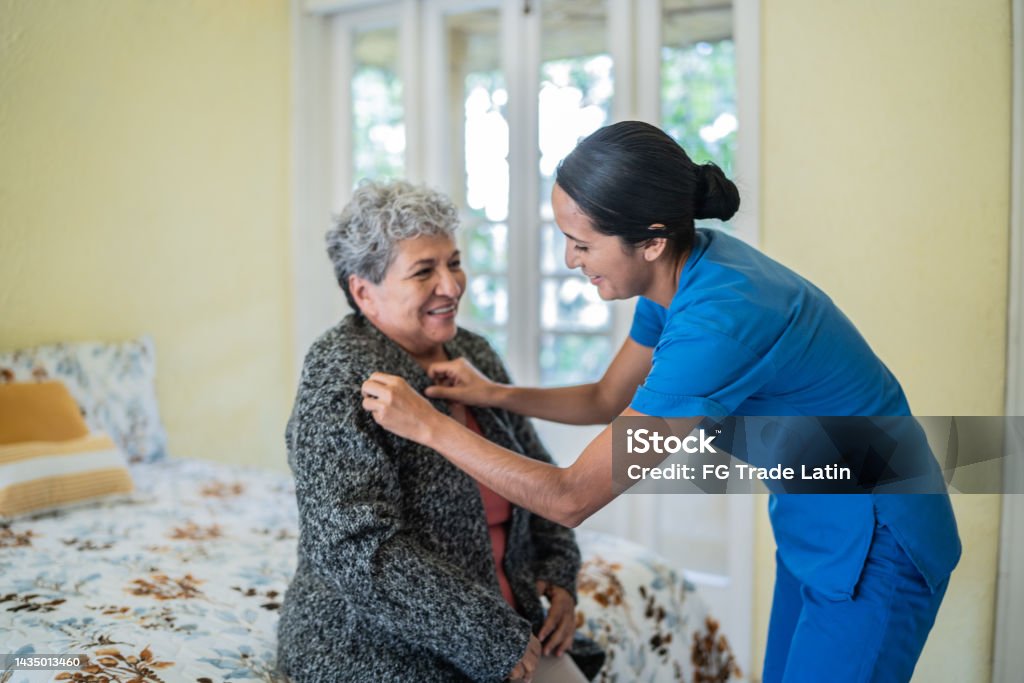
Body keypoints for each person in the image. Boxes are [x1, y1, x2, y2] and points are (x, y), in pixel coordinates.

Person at [360, 121, 962, 682]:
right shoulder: (673, 276)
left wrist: (430, 427)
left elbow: (571, 499)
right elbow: (607, 397)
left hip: (879, 530)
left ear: (648, 241)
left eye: (582, 244)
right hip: (816, 516)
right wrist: (496, 394)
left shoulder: (722, 321)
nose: (570, 260)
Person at [277, 180, 604, 682]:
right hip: (381, 649)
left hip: (511, 627)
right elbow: (357, 548)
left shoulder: (471, 353)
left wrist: (560, 576)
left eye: (453, 262)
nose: (451, 286)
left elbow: (537, 475)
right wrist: (487, 634)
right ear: (364, 291)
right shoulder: (340, 374)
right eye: (423, 271)